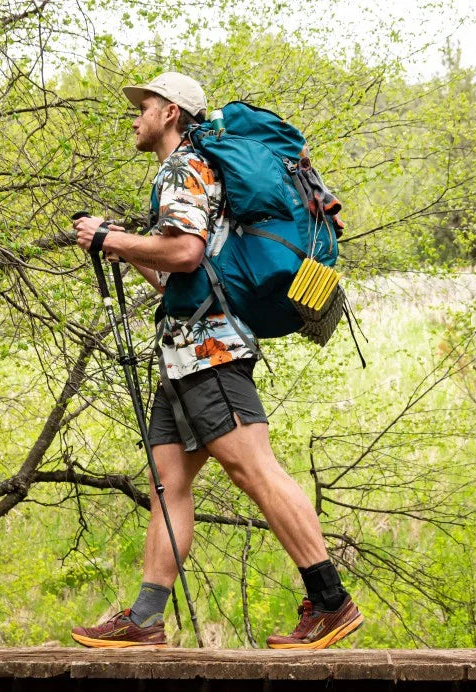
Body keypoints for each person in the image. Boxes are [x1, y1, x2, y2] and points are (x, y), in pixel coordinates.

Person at [71, 72, 362, 649]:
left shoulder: (184, 167)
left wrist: (113, 240)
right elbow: (173, 274)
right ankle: (146, 619)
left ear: (172, 112)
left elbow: (185, 249)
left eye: (144, 105)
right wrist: (126, 245)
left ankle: (332, 602)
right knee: (167, 484)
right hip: (183, 349)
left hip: (208, 349)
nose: (135, 116)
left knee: (253, 468)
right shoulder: (183, 171)